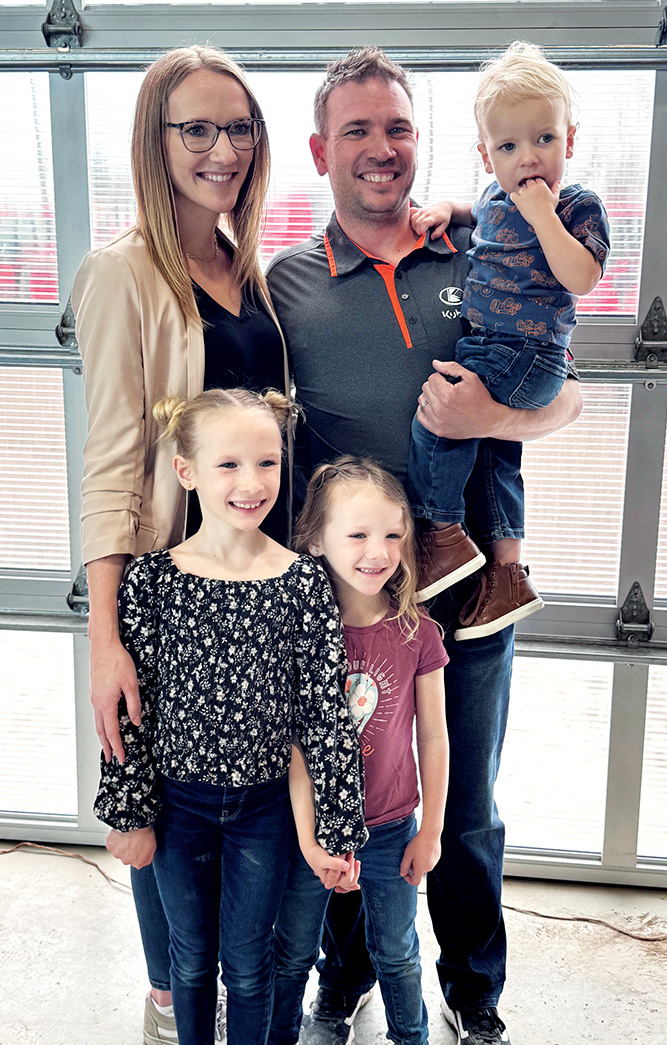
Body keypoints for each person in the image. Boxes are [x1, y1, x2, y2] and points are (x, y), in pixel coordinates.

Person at [266, 46, 583, 1045]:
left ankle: (473, 993)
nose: (379, 148)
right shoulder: (289, 285)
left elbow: (568, 392)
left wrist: (500, 411)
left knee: (465, 800)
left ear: (423, 143)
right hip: (350, 605)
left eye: (396, 127)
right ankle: (346, 974)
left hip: (468, 593)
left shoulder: (478, 249)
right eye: (355, 129)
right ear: (320, 150)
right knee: (351, 790)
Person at [72, 45, 291, 1045]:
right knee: (159, 814)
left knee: (239, 807)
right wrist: (108, 639)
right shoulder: (126, 273)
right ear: (154, 143)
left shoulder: (244, 268)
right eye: (195, 128)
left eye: (237, 126)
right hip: (170, 603)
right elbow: (114, 462)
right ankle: (168, 1001)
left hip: (255, 587)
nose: (222, 148)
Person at [93, 388, 367, 1045]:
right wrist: (128, 815)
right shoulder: (152, 580)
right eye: (229, 465)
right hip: (177, 808)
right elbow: (134, 711)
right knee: (189, 961)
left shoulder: (304, 582)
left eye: (267, 463)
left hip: (264, 812)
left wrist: (336, 824)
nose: (251, 483)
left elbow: (325, 713)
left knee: (248, 968)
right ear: (186, 470)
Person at [406, 41, 610, 638]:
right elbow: (482, 212)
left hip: (524, 353)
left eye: (544, 139)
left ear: (570, 139)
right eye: (508, 146)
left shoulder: (575, 206)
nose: (528, 159)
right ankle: (506, 574)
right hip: (501, 347)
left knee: (441, 413)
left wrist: (546, 217)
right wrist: (449, 207)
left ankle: (441, 533)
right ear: (486, 154)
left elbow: (584, 277)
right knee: (497, 454)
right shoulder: (497, 196)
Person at [270, 456, 450, 1045]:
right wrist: (310, 838)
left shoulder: (418, 632)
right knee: (292, 951)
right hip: (310, 827)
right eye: (358, 534)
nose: (379, 551)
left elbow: (435, 737)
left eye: (393, 535)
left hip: (394, 826)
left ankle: (410, 1037)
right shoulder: (296, 629)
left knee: (397, 951)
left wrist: (433, 832)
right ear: (316, 541)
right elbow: (292, 741)